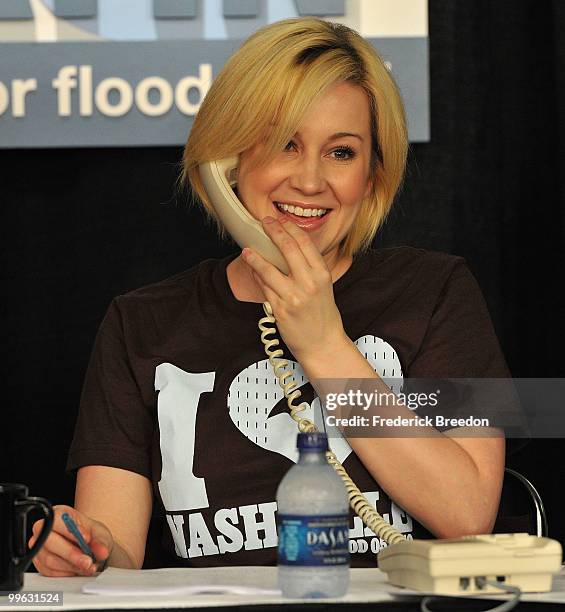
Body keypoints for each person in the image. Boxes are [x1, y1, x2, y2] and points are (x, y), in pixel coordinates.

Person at [31, 17, 508, 577]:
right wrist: (84, 551)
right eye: (286, 143)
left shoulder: (437, 292)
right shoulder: (142, 323)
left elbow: (468, 513)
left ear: (373, 174)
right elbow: (119, 556)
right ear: (226, 164)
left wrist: (326, 346)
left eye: (341, 152)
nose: (309, 181)